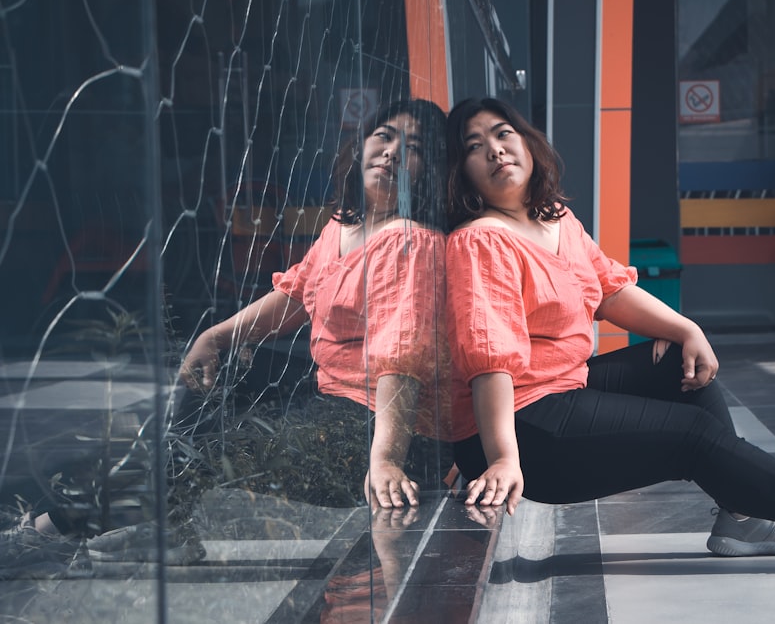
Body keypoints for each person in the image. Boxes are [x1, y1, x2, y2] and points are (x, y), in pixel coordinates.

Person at [442, 96, 775, 572]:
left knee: (678, 366)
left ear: (529, 144)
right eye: (474, 146)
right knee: (693, 436)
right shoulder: (480, 242)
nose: (495, 149)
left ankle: (743, 516)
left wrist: (689, 329)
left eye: (503, 133)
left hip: (563, 386)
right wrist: (504, 456)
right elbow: (491, 358)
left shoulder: (555, 218)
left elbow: (610, 291)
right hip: (522, 426)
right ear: (463, 173)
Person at [1, 99, 453, 578]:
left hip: (381, 427)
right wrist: (214, 337)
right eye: (383, 136)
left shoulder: (411, 241)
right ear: (358, 146)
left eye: (414, 147)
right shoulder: (345, 227)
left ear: (429, 170)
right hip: (332, 403)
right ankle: (66, 528)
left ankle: (64, 538)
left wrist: (384, 458)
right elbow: (300, 293)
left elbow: (400, 360)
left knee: (214, 458)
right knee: (183, 416)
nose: (391, 153)